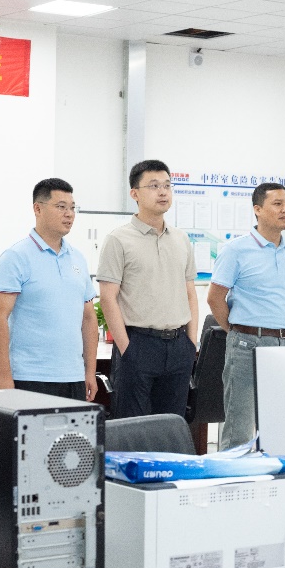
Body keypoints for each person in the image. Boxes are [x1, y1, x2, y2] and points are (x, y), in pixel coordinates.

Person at [207, 183, 285, 450]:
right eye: (277, 204)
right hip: (247, 343)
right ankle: (234, 475)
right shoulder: (236, 249)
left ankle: (272, 475)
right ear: (257, 209)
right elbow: (215, 298)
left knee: (280, 423)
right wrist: (237, 331)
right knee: (240, 428)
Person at [97, 159, 197, 419]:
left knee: (171, 425)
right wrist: (126, 349)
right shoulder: (118, 239)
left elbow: (190, 292)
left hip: (178, 346)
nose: (163, 192)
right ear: (135, 194)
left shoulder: (181, 239)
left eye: (167, 185)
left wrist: (191, 343)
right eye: (154, 186)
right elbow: (108, 297)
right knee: (134, 426)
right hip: (138, 344)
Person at [0, 178, 98, 402]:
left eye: (72, 208)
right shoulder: (15, 257)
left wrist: (89, 372)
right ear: (37, 209)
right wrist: (3, 376)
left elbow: (88, 318)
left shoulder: (78, 258)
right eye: (61, 207)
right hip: (29, 376)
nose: (69, 214)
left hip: (73, 377)